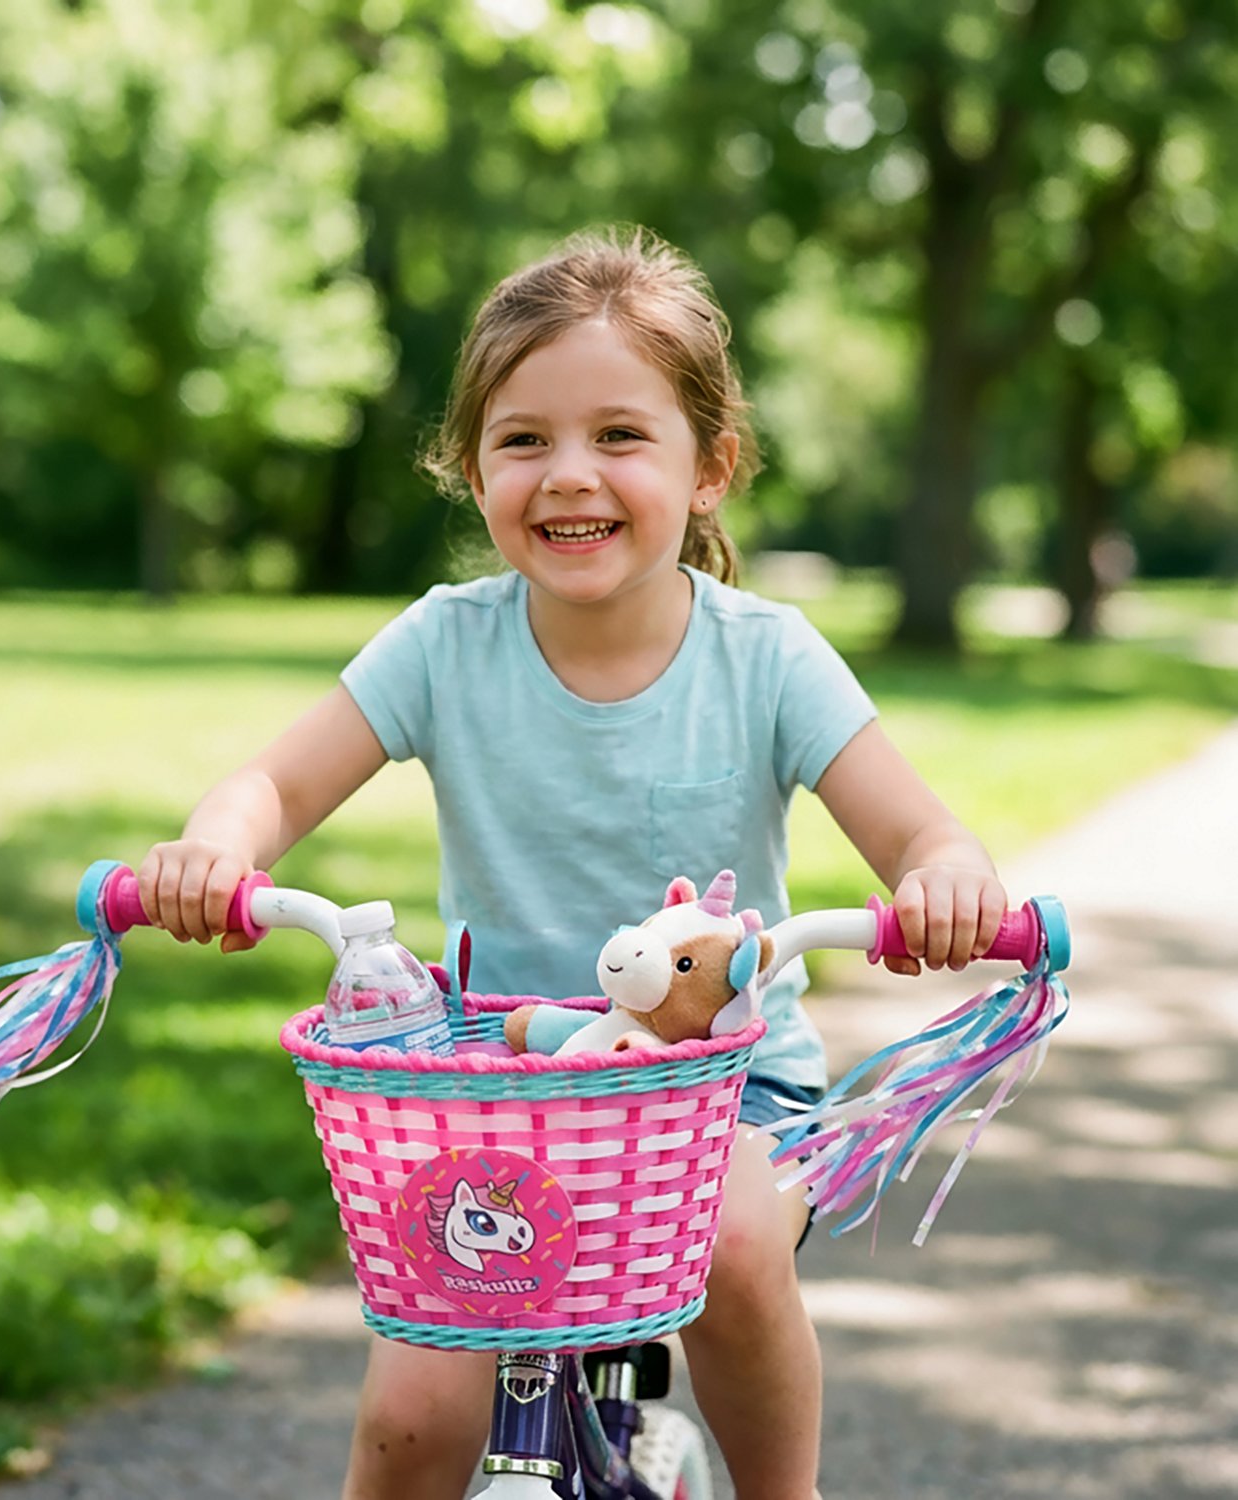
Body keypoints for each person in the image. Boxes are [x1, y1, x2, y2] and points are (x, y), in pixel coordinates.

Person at [138, 226, 1007, 1500]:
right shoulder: (445, 645)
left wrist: (945, 880)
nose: (567, 475)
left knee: (730, 1257)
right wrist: (217, 846)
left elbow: (921, 833)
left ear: (710, 469)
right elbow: (274, 782)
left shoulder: (767, 660)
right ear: (471, 467)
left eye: (618, 435)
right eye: (524, 439)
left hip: (725, 1098)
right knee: (414, 1406)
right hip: (498, 1097)